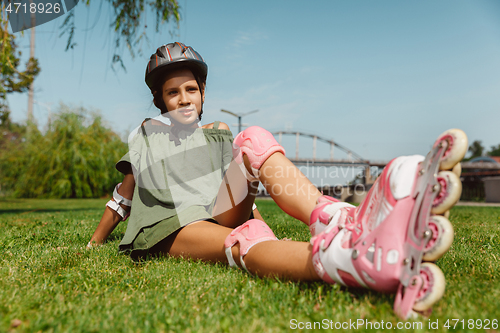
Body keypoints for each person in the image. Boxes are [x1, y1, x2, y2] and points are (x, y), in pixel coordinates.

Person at [87, 42, 467, 319]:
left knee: (252, 138)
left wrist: (251, 212)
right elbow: (125, 194)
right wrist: (94, 242)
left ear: (202, 95)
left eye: (191, 90)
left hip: (217, 211)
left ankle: (339, 218)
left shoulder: (218, 132)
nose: (183, 99)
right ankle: (352, 259)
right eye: (172, 93)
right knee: (245, 242)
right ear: (160, 100)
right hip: (171, 226)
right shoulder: (149, 131)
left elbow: (235, 189)